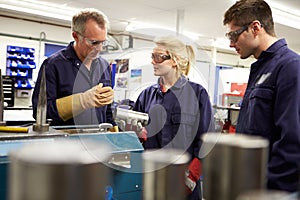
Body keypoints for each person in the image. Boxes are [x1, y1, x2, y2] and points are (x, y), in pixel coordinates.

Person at [223, 0, 300, 193]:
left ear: (255, 27)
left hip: (271, 190)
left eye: (234, 34)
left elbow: (292, 141)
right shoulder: (261, 69)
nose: (231, 43)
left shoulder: (290, 66)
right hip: (250, 184)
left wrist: (267, 190)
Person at [132, 35, 213, 200]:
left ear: (175, 60)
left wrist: (192, 176)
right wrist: (136, 134)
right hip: (151, 181)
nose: (153, 61)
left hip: (184, 184)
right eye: (152, 56)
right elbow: (134, 136)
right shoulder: (146, 95)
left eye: (158, 57)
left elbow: (207, 140)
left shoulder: (198, 95)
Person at [32, 8, 118, 130]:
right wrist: (81, 101)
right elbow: (40, 113)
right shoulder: (53, 65)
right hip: (66, 143)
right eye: (93, 42)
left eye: (102, 42)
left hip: (98, 142)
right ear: (76, 36)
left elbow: (106, 109)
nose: (99, 48)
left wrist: (113, 127)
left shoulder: (104, 66)